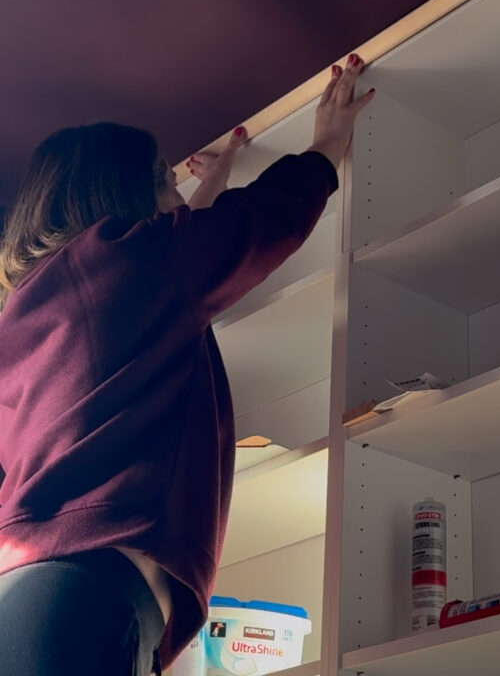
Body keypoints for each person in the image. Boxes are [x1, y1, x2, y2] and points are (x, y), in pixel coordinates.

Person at [0, 55, 374, 676]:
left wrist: (198, 197)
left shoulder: (26, 316)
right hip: (83, 596)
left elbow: (174, 282)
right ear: (128, 195)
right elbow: (255, 224)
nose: (180, 204)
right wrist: (324, 149)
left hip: (32, 597)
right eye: (164, 186)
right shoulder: (130, 262)